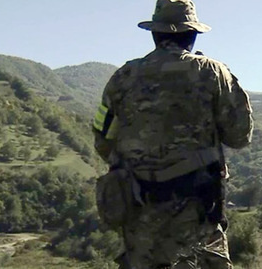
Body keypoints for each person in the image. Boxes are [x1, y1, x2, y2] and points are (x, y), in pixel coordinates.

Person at [92, 0, 253, 268]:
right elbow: (240, 136)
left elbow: (102, 137)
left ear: (155, 34)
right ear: (191, 35)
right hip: (196, 207)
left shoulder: (124, 76)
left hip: (139, 208)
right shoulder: (212, 72)